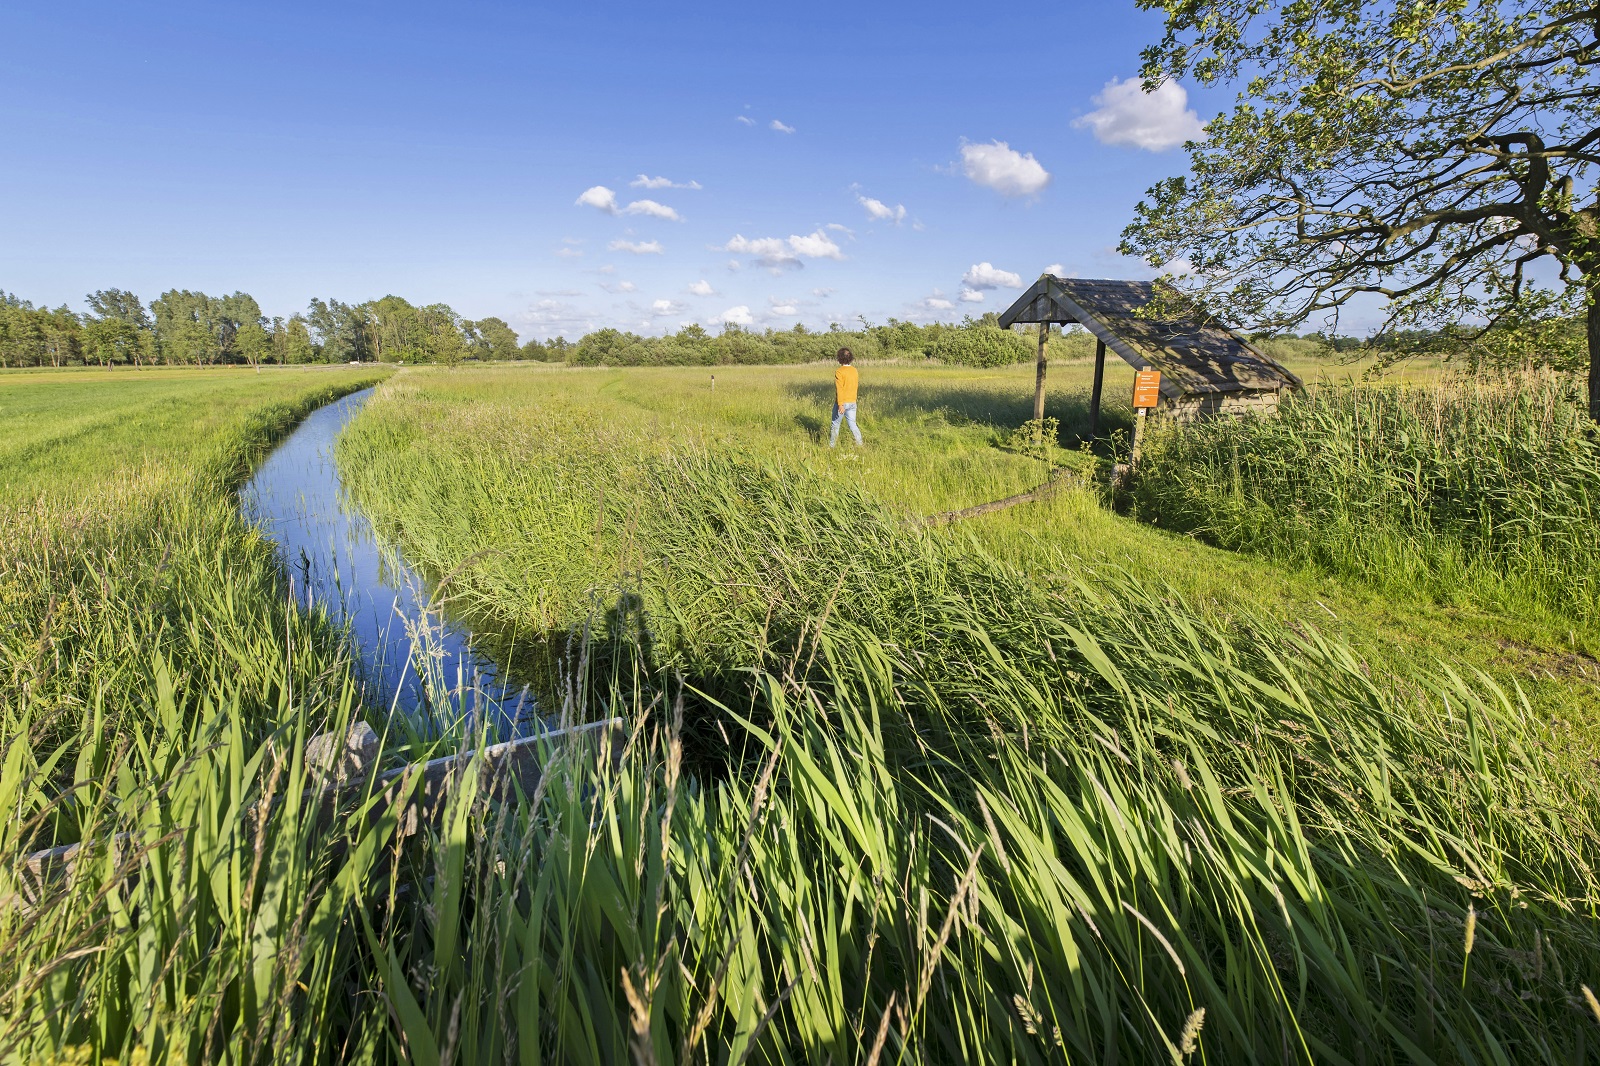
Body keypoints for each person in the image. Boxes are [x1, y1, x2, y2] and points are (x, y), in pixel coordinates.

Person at [830, 347, 863, 447]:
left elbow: (840, 389)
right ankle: (860, 444)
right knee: (853, 424)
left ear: (839, 358)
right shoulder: (854, 370)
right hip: (852, 402)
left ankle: (832, 446)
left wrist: (840, 404)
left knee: (835, 424)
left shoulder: (839, 371)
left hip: (842, 403)